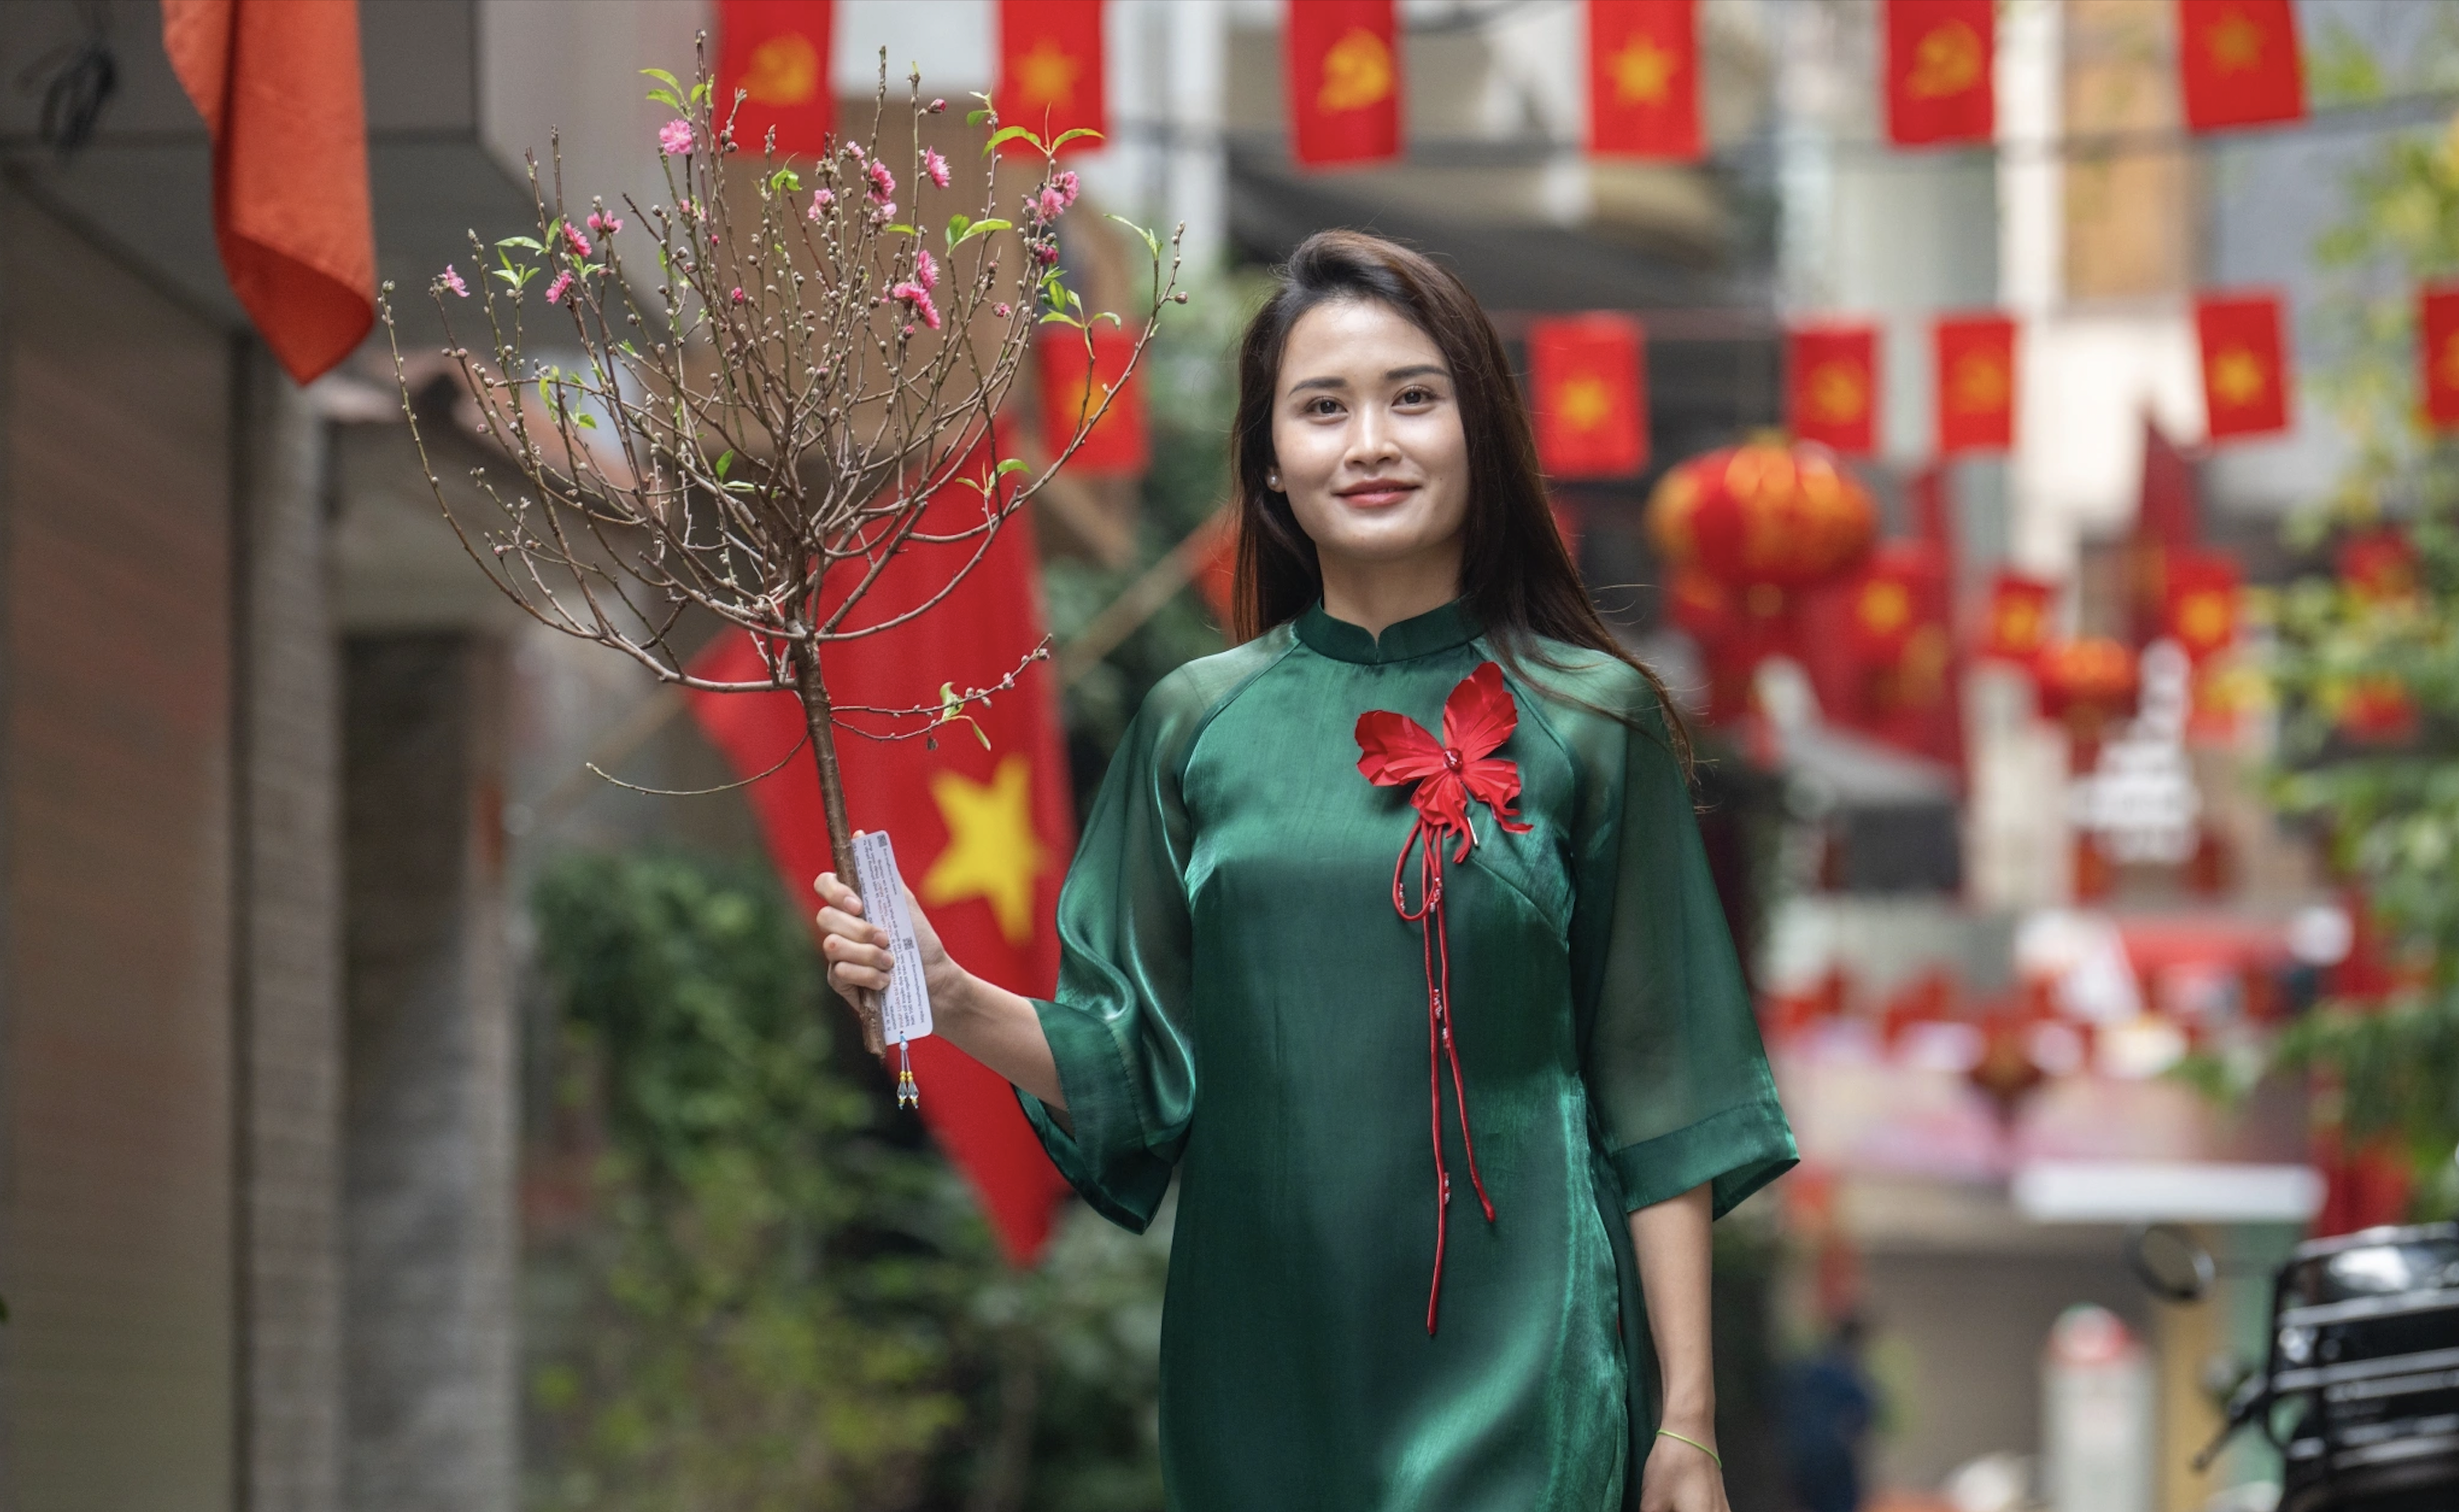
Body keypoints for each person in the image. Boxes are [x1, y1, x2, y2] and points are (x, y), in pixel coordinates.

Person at [815, 229, 1795, 1511]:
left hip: (1528, 1356)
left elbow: (1663, 1087)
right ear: (1271, 461)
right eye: (1322, 408)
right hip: (1259, 1362)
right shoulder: (1192, 726)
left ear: (1478, 432)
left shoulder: (1594, 720)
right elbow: (1138, 1068)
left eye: (1412, 397)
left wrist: (1687, 1422)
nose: (1369, 441)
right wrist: (948, 997)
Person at [1780, 1316, 1877, 1512]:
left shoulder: (1810, 1369)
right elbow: (1862, 1414)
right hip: (1834, 1461)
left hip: (1802, 1455)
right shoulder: (1847, 1374)